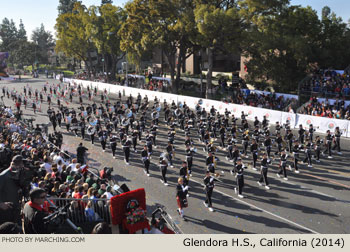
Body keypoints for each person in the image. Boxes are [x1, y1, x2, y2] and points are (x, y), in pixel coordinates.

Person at [0, 155, 26, 225]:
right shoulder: (3, 176)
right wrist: (1, 204)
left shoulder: (18, 175)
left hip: (16, 208)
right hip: (6, 211)